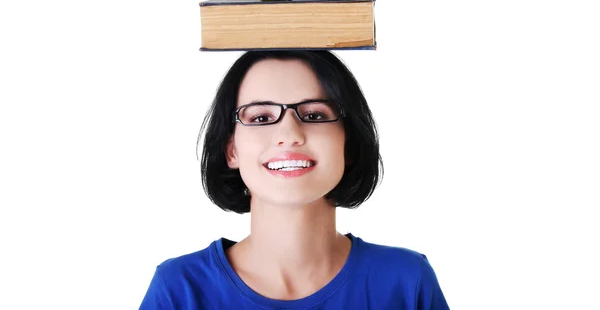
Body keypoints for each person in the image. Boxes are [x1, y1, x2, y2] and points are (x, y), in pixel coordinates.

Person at [139, 50, 450, 309]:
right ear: (231, 150)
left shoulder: (408, 283)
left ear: (349, 144)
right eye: (260, 117)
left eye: (314, 115)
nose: (289, 134)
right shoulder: (178, 291)